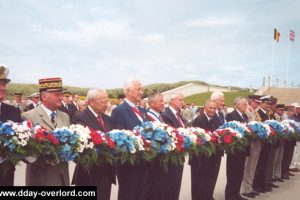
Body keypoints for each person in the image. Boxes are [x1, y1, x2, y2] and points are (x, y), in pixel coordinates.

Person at [22, 77, 70, 186]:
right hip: (40, 178)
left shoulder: (65, 116)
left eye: (61, 94)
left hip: (62, 176)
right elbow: (26, 152)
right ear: (44, 96)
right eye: (57, 95)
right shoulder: (29, 116)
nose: (61, 98)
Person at [71, 89, 115, 200]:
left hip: (106, 172)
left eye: (107, 101)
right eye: (103, 101)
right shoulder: (80, 118)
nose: (106, 104)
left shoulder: (108, 119)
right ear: (91, 102)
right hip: (88, 173)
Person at [111, 79, 149, 200]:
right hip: (129, 164)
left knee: (141, 194)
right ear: (128, 91)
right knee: (128, 195)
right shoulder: (119, 110)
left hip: (144, 161)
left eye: (141, 89)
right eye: (138, 89)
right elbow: (119, 138)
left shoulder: (142, 110)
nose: (141, 92)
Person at [190, 100, 218, 200]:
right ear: (205, 108)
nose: (213, 110)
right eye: (210, 108)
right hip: (199, 158)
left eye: (214, 108)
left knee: (207, 181)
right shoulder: (198, 120)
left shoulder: (214, 119)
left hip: (210, 157)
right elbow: (195, 140)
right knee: (198, 183)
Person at [0, 66, 22, 186]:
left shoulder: (13, 111)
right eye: (0, 85)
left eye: (4, 85)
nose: (3, 88)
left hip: (6, 174)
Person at [160, 93, 185, 200]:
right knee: (171, 185)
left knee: (176, 184)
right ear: (172, 101)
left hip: (179, 154)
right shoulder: (166, 115)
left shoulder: (178, 114)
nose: (182, 102)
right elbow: (170, 135)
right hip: (171, 156)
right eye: (180, 100)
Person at [225, 97, 249, 200]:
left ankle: (236, 193)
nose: (246, 106)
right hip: (234, 150)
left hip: (243, 148)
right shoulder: (230, 116)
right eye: (244, 104)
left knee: (240, 172)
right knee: (232, 173)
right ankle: (229, 195)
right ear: (237, 105)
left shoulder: (245, 116)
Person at [146, 93, 166, 200]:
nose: (163, 103)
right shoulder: (148, 117)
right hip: (153, 157)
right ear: (152, 103)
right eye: (161, 101)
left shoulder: (160, 116)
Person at [241, 95, 261, 198]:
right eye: (256, 102)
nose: (258, 104)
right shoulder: (247, 111)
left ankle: (249, 187)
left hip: (256, 142)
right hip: (250, 142)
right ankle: (245, 188)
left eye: (258, 102)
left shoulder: (254, 111)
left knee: (253, 166)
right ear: (251, 101)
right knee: (248, 166)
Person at [210, 91, 225, 199]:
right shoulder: (211, 113)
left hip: (219, 149)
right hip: (212, 150)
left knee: (215, 174)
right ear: (214, 101)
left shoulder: (221, 113)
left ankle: (210, 194)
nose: (223, 103)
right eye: (221, 101)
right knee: (210, 174)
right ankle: (208, 195)